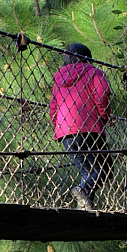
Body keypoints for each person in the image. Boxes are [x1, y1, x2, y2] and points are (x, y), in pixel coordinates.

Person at [49, 43, 112, 210]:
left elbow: (53, 108)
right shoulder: (94, 73)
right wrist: (104, 118)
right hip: (89, 128)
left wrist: (59, 127)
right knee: (105, 170)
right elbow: (102, 96)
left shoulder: (58, 80)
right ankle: (82, 190)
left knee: (87, 171)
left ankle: (85, 204)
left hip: (66, 132)